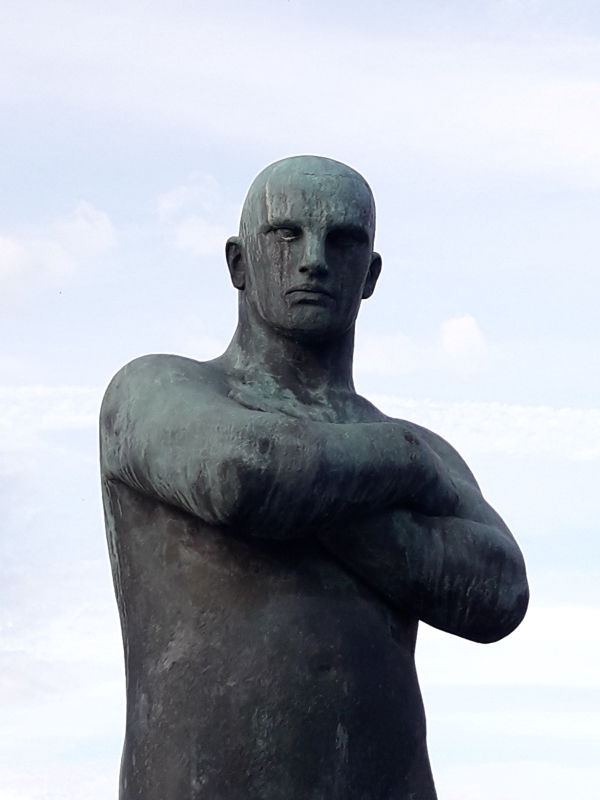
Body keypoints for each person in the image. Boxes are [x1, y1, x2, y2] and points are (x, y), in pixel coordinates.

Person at [100, 155, 529, 800]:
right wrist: (406, 464)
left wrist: (313, 494)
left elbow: (499, 591)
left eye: (342, 240)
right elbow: (243, 475)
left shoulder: (419, 448)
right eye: (287, 235)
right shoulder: (154, 389)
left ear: (371, 275)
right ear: (238, 262)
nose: (314, 260)